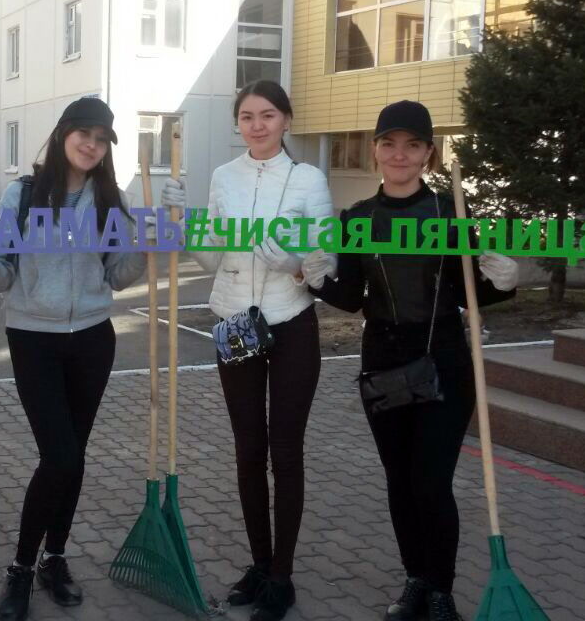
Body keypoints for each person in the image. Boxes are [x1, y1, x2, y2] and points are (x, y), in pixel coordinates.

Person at [303, 100, 519, 621]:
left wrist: (503, 283)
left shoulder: (452, 214)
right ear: (376, 150)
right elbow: (351, 297)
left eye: (412, 144)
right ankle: (416, 580)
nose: (399, 154)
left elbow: (469, 293)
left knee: (431, 481)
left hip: (444, 359)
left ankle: (441, 590)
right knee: (400, 480)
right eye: (389, 143)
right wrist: (319, 281)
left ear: (428, 154)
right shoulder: (357, 219)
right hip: (382, 359)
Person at [0, 97, 148, 621]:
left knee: (74, 454)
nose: (92, 145)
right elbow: (4, 274)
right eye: (84, 134)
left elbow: (118, 276)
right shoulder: (22, 195)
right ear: (64, 133)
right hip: (33, 339)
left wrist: (144, 246)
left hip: (92, 338)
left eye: (102, 139)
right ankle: (21, 567)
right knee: (59, 455)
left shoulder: (111, 201)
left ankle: (55, 558)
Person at [160, 79, 332, 621]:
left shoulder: (308, 179)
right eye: (247, 117)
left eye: (268, 115)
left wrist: (296, 264)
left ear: (286, 120)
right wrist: (185, 223)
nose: (257, 126)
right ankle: (259, 565)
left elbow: (326, 262)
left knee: (286, 450)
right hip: (236, 322)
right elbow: (213, 260)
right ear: (238, 123)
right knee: (248, 449)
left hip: (292, 321)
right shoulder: (223, 177)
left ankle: (282, 576)